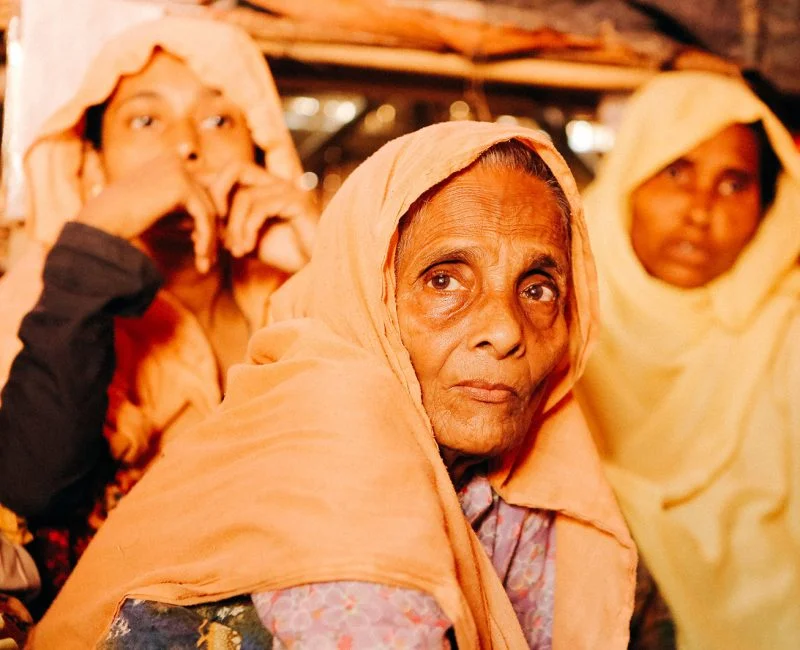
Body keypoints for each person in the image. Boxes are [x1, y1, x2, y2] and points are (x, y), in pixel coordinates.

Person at [29, 122, 636, 649]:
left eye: (537, 288)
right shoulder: (334, 433)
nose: (504, 330)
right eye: (445, 281)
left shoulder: (526, 467)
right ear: (364, 297)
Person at [0, 15, 316, 614]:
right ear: (93, 164)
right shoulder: (44, 295)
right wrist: (96, 234)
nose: (186, 146)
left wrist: (326, 258)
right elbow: (35, 489)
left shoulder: (296, 292)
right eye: (146, 120)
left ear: (261, 145)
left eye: (219, 118)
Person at [575, 71, 800, 650]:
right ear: (627, 176)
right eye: (676, 171)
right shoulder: (557, 309)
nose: (701, 211)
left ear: (766, 204)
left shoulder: (785, 326)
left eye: (733, 184)